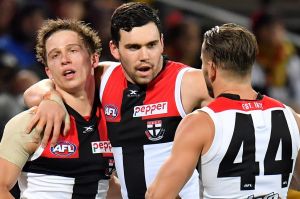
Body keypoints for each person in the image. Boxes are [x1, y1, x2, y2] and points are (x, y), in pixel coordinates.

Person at [24, 2, 211, 199]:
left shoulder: (187, 81)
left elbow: (240, 104)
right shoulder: (103, 78)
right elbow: (32, 91)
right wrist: (51, 99)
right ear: (114, 49)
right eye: (133, 47)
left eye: (152, 45)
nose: (144, 56)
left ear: (162, 43)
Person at [145, 23, 300, 199]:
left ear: (211, 68)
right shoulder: (292, 118)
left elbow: (157, 195)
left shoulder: (201, 123)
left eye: (202, 64)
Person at [0, 19, 117, 198]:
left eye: (73, 50)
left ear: (94, 58)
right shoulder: (30, 123)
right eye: (55, 55)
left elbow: (104, 185)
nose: (64, 60)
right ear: (48, 71)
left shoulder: (112, 119)